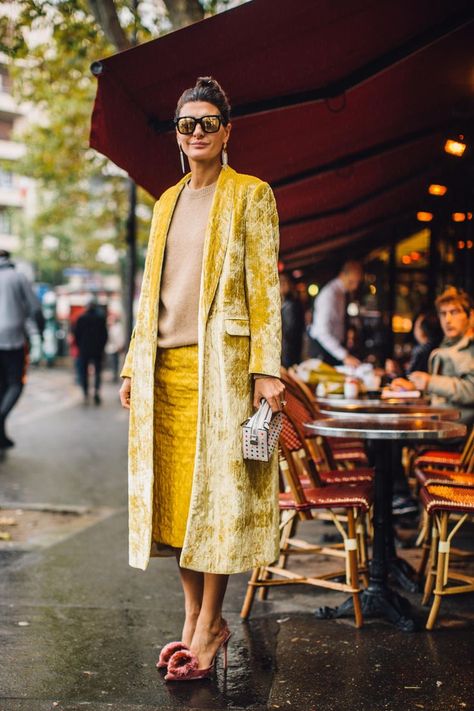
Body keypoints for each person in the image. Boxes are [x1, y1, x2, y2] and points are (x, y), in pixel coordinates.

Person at [119, 77, 284, 681]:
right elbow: (148, 293)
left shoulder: (252, 195)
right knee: (175, 502)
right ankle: (192, 616)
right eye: (187, 123)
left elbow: (265, 288)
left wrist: (267, 371)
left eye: (208, 122)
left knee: (217, 500)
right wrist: (134, 362)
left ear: (227, 130)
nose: (196, 132)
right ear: (178, 133)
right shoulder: (166, 201)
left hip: (225, 370)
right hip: (166, 369)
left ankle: (212, 623)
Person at [392, 287, 474, 425]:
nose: (448, 319)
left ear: (470, 316)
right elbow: (442, 396)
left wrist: (430, 382)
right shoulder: (448, 345)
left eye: (454, 312)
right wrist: (414, 387)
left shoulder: (470, 347)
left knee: (395, 425)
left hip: (455, 428)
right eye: (443, 313)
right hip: (440, 422)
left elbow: (471, 391)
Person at [0, 249, 42, 449]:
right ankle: (0, 419)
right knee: (15, 383)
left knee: (1, 387)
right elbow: (35, 307)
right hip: (13, 340)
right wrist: (39, 332)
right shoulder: (18, 277)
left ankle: (1, 435)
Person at [308, 260, 363, 367]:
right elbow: (322, 332)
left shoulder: (342, 293)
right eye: (352, 282)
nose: (355, 287)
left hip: (334, 348)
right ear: (342, 275)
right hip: (323, 350)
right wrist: (344, 355)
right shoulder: (329, 295)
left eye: (358, 282)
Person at [73, 298, 108, 405]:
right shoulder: (100, 319)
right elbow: (105, 335)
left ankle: (85, 392)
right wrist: (101, 347)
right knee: (97, 372)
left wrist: (80, 346)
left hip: (84, 350)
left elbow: (76, 335)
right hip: (97, 350)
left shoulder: (81, 319)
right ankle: (96, 391)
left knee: (84, 372)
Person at [280, 272, 305, 368]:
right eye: (280, 282)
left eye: (285, 282)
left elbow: (289, 332)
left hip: (288, 350)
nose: (282, 285)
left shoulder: (291, 304)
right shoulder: (285, 303)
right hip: (286, 348)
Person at [105, 313, 125, 383]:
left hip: (115, 348)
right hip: (110, 348)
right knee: (112, 363)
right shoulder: (109, 327)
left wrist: (120, 345)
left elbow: (120, 337)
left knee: (115, 363)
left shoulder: (118, 327)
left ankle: (115, 376)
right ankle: (113, 375)